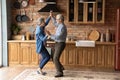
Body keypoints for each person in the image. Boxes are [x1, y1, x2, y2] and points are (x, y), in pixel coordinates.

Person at [46, 12, 67, 77]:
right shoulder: (59, 24)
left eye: (57, 19)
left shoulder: (62, 27)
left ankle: (59, 72)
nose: (56, 20)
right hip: (57, 43)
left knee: (55, 58)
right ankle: (61, 67)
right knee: (52, 56)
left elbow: (58, 36)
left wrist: (50, 35)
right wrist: (52, 17)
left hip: (60, 43)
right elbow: (55, 23)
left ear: (60, 20)